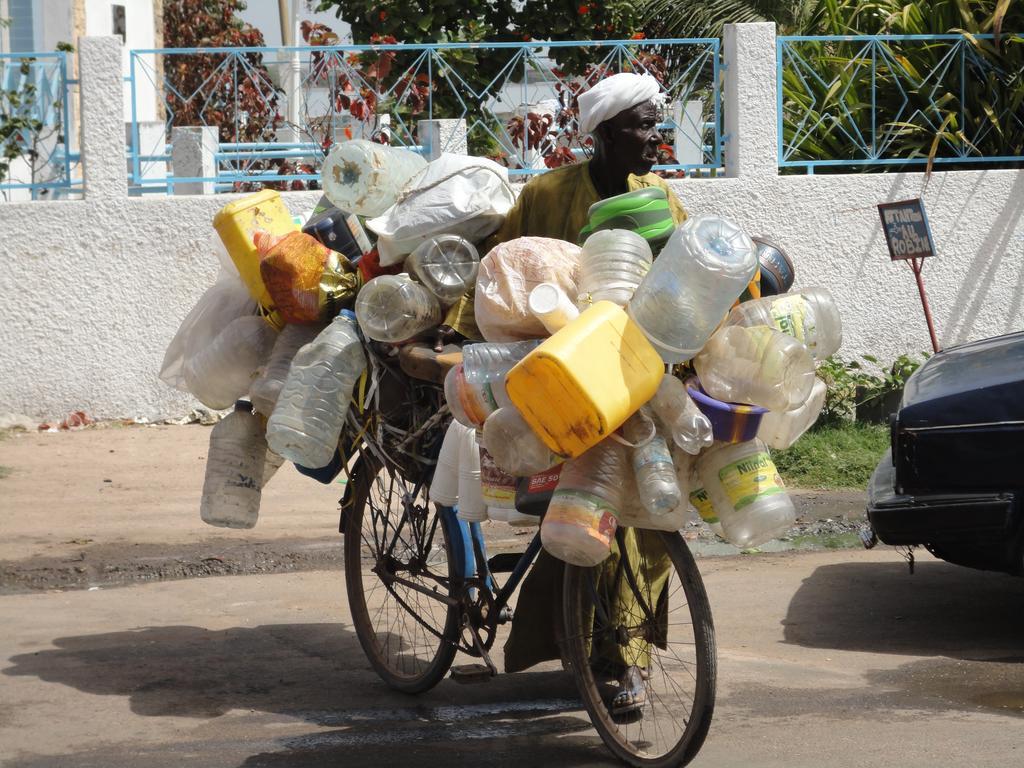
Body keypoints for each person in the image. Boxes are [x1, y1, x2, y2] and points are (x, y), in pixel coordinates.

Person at [448, 72, 759, 713]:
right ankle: (603, 657)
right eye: (643, 125)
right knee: (581, 516)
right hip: (563, 380)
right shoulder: (546, 195)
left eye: (656, 123)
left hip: (641, 380)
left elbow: (690, 291)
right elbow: (499, 279)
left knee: (645, 522)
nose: (656, 137)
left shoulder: (662, 200)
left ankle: (623, 654)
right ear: (605, 133)